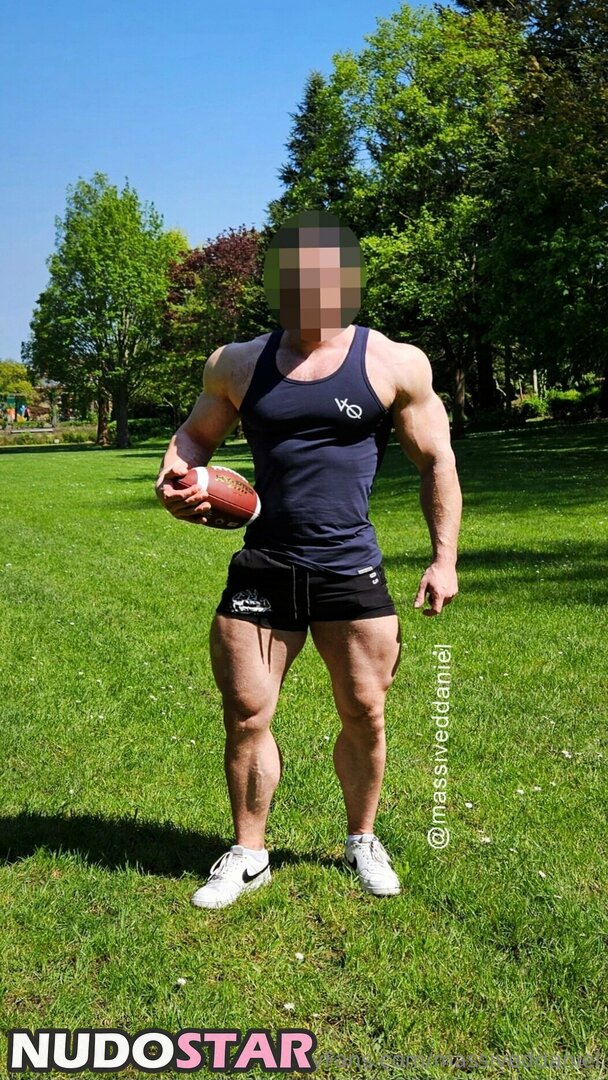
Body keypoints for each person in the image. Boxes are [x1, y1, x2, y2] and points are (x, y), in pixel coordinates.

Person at [155, 209, 461, 910]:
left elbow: (437, 461)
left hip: (349, 565)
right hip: (264, 565)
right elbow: (193, 438)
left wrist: (443, 559)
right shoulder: (237, 363)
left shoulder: (393, 362)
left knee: (365, 710)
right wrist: (174, 478)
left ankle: (362, 839)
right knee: (246, 712)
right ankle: (249, 853)